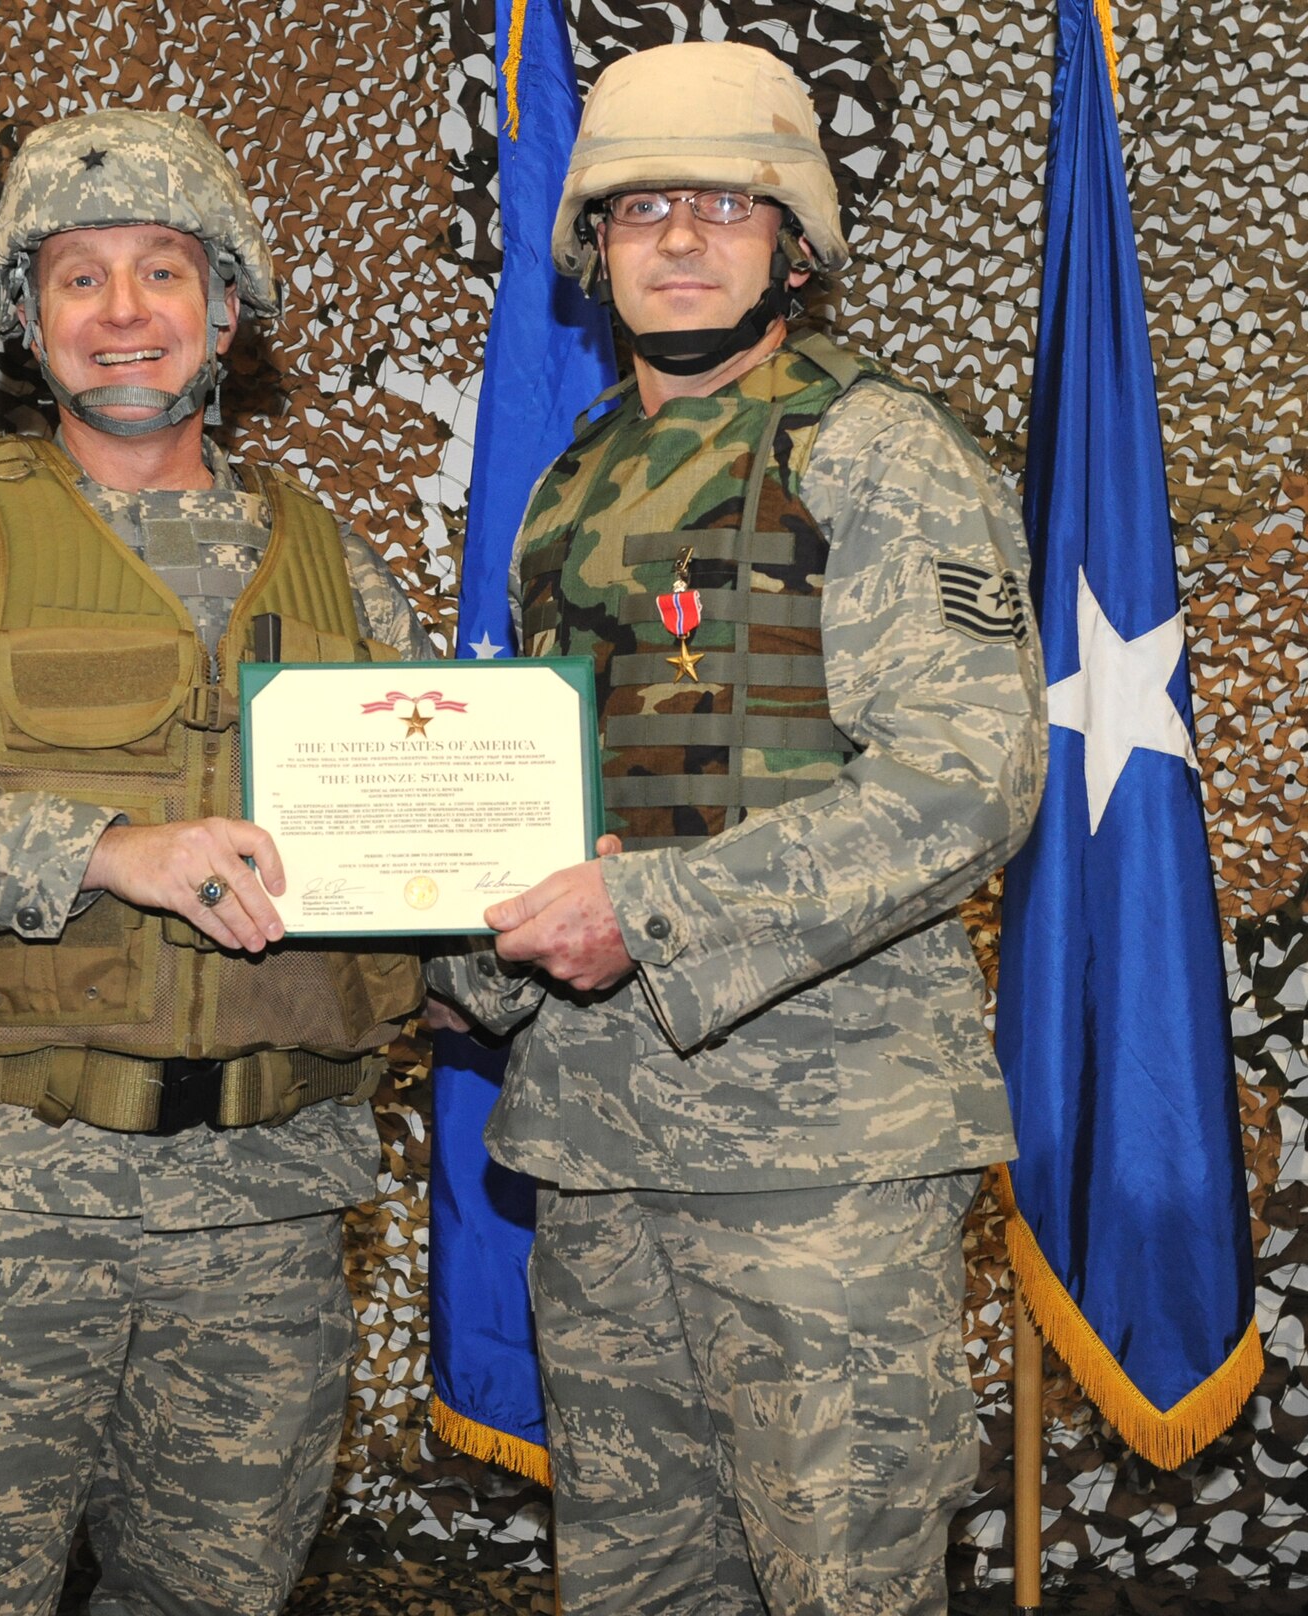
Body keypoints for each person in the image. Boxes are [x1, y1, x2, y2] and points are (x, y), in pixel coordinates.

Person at [0, 108, 430, 1616]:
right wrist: (105, 850)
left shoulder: (336, 564)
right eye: (79, 279)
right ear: (25, 320)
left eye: (165, 272)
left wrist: (532, 890)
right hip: (0, 1208)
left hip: (266, 1207)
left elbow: (428, 843)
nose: (124, 313)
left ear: (227, 311)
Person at [427, 41, 1046, 1616]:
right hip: (596, 1142)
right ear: (593, 250)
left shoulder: (878, 448)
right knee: (635, 1588)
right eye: (641, 210)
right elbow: (561, 806)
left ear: (792, 241)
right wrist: (453, 946)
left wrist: (649, 914)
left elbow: (969, 775)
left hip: (822, 1158)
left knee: (841, 1584)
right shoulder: (570, 486)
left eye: (725, 203)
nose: (683, 239)